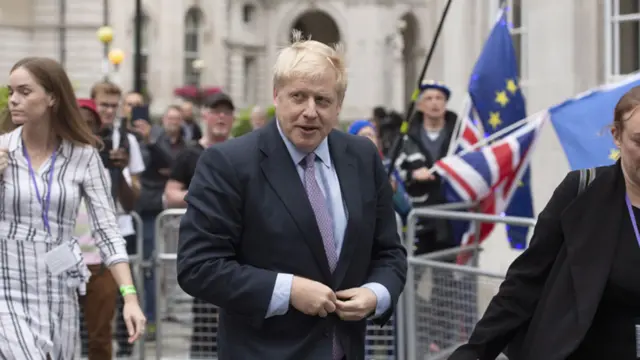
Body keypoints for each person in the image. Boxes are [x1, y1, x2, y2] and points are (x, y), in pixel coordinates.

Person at [176, 34, 407, 360]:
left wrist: (377, 294)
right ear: (276, 96)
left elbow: (389, 253)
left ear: (338, 105)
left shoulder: (362, 157)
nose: (310, 111)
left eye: (322, 100)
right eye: (298, 96)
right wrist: (287, 291)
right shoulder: (228, 163)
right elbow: (198, 267)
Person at [448, 86, 640, 359]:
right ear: (616, 136)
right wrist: (475, 352)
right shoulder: (581, 193)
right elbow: (526, 281)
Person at [0, 56, 146, 359]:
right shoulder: (3, 149)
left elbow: (107, 230)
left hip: (59, 288)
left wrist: (129, 297)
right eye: (11, 92)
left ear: (53, 97)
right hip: (7, 287)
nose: (14, 100)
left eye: (25, 92)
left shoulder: (85, 157)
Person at [164, 92, 235, 358]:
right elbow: (170, 193)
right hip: (204, 246)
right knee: (205, 316)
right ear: (205, 116)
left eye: (226, 113)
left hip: (240, 249)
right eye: (216, 112)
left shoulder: (242, 152)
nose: (221, 117)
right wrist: (204, 199)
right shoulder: (189, 154)